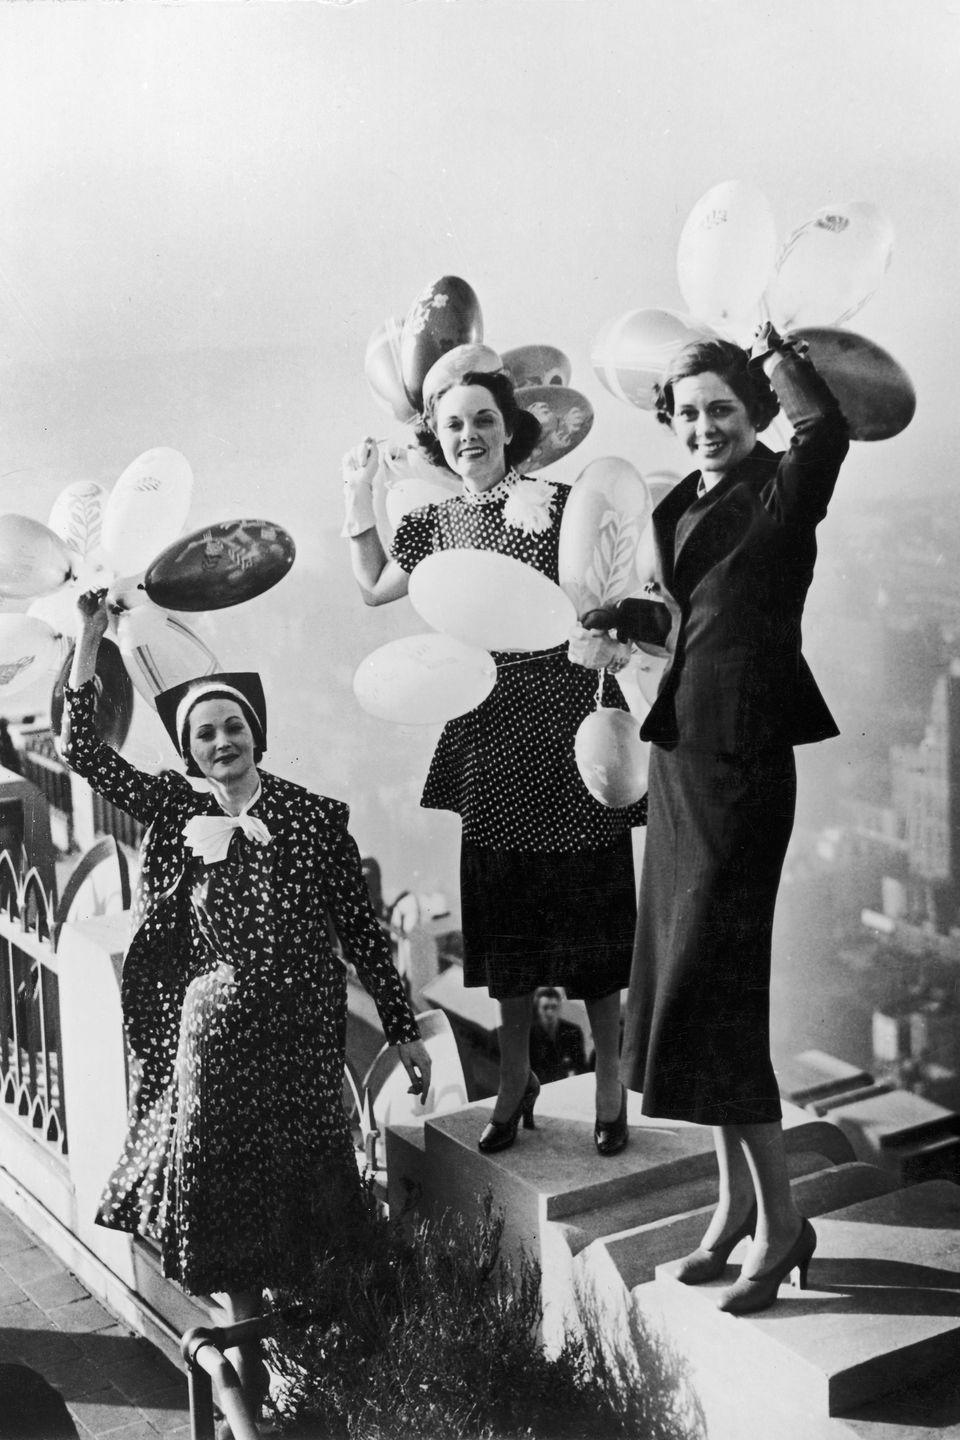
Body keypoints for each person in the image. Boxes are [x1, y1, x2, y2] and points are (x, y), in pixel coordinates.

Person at [61, 591, 432, 1417]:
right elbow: (79, 746)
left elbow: (362, 931)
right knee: (226, 1203)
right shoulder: (177, 806)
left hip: (301, 1040)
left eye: (232, 727)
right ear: (190, 751)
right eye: (203, 734)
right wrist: (89, 638)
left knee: (307, 1198)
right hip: (218, 1039)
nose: (220, 742)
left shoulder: (311, 816)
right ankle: (245, 1355)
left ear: (256, 733)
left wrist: (403, 1030)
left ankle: (298, 1358)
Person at [573, 324, 849, 1313]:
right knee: (687, 993)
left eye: (722, 410)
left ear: (754, 412)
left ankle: (782, 1227)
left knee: (720, 990)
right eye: (687, 413)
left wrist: (774, 355)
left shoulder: (784, 483)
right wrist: (621, 628)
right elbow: (689, 620)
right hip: (681, 757)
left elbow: (829, 430)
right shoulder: (673, 503)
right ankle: (736, 1210)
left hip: (743, 765)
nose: (703, 427)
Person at [342, 352, 644, 1158]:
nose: (469, 435)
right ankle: (516, 1079)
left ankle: (611, 1078)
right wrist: (356, 494)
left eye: (483, 419)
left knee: (592, 911)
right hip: (489, 726)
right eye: (453, 426)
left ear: (512, 429)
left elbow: (615, 583)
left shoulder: (558, 502)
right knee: (506, 919)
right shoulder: (433, 523)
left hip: (571, 719)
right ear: (437, 442)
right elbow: (373, 584)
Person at [529, 986, 588, 1086]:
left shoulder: (573, 1031)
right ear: (538, 1009)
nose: (550, 1012)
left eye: (553, 1007)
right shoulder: (530, 1035)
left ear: (559, 1008)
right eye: (545, 1007)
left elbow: (581, 1067)